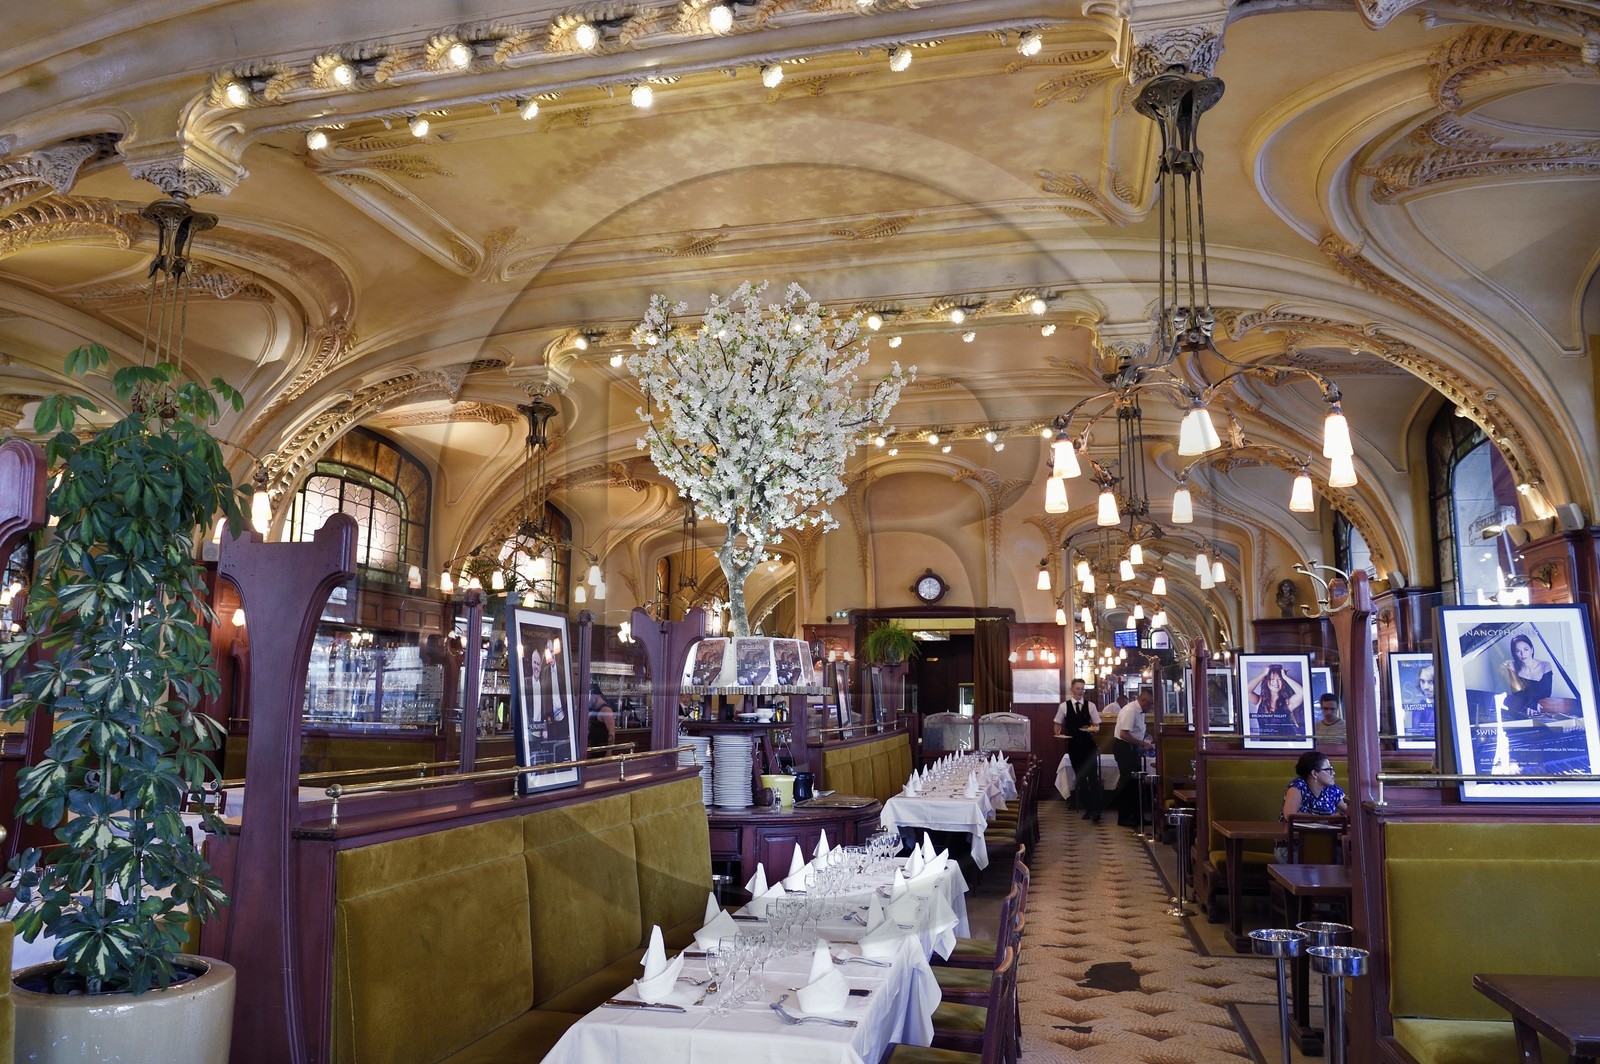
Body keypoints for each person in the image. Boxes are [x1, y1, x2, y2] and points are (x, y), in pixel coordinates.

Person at [1054, 679, 1103, 822]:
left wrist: (1092, 730)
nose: (1080, 691)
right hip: (1074, 746)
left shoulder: (1091, 706)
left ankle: (1096, 810)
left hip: (1088, 746)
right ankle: (1088, 807)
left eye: (1082, 689)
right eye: (1077, 689)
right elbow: (1057, 723)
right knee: (1081, 778)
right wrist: (1058, 733)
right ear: (1071, 689)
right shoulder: (1064, 706)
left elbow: (1097, 725)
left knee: (1093, 777)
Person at [1111, 689, 1155, 828]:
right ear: (1143, 701)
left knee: (1135, 784)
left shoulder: (1140, 712)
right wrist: (1142, 743)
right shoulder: (1130, 710)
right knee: (1127, 782)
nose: (1151, 707)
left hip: (1131, 749)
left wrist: (1146, 737)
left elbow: (1137, 730)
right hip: (1124, 748)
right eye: (1150, 704)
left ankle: (1137, 816)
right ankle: (1123, 817)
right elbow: (1124, 734)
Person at [1282, 750, 1348, 821]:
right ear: (1314, 773)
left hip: (1326, 831)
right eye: (1328, 769)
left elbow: (1352, 812)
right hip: (1297, 831)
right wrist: (1326, 819)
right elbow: (1290, 816)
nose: (1333, 773)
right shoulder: (1298, 786)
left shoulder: (1333, 790)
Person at [1501, 633, 1554, 717]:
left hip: (1541, 708)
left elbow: (1546, 692)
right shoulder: (1512, 666)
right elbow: (1517, 693)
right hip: (1521, 708)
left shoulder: (1545, 665)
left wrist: (1532, 705)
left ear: (1532, 650)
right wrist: (1531, 705)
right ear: (1514, 653)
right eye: (1518, 651)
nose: (1523, 654)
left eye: (1526, 649)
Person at [1249, 664, 1305, 736]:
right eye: (1272, 679)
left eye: (1279, 679)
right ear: (1266, 681)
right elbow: (1246, 691)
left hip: (1286, 744)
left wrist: (1285, 677)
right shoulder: (1259, 701)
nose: (1276, 682)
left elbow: (1302, 693)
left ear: (1283, 682)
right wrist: (1263, 674)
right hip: (1265, 745)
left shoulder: (1288, 703)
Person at [587, 683, 616, 754]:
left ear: (594, 697)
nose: (588, 701)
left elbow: (611, 732)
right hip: (594, 749)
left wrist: (609, 752)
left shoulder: (606, 710)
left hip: (602, 751)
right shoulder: (594, 709)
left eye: (589, 698)